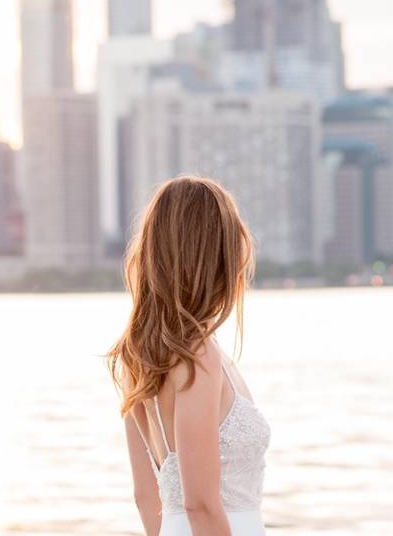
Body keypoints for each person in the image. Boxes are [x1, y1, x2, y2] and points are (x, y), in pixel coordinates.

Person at [104, 175, 271, 536]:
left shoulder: (141, 356)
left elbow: (147, 498)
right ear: (217, 254)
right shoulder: (197, 355)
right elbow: (201, 504)